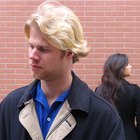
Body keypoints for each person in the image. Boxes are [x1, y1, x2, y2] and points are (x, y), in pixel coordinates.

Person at [0, 1, 126, 140]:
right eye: (31, 46)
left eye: (43, 49)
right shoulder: (10, 108)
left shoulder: (104, 119)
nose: (32, 56)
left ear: (69, 52)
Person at [95, 53, 140, 140]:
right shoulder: (134, 90)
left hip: (106, 135)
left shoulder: (100, 90)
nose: (130, 66)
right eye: (127, 64)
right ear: (119, 68)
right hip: (129, 135)